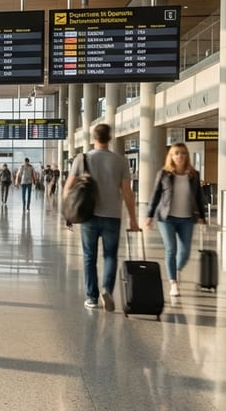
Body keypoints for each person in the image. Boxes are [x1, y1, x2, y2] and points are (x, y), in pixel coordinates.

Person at [63, 123, 140, 311]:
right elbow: (127, 192)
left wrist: (68, 213)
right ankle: (107, 288)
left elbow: (67, 188)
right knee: (110, 255)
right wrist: (133, 218)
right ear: (110, 138)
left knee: (89, 256)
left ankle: (92, 298)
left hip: (88, 214)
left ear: (93, 138)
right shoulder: (120, 161)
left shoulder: (82, 159)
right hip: (113, 215)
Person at [143, 143, 208, 297]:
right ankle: (173, 282)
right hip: (167, 218)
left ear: (187, 156)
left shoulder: (193, 175)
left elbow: (198, 196)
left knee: (185, 252)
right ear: (171, 156)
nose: (179, 156)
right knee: (171, 249)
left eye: (182, 153)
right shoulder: (164, 173)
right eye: (176, 153)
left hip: (187, 219)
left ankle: (176, 270)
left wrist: (202, 217)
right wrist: (149, 216)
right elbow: (155, 195)